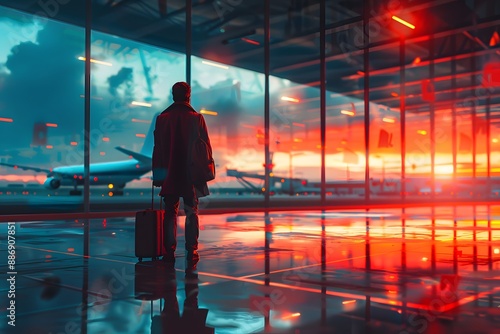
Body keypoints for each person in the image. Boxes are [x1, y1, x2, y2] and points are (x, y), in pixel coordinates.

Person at [152, 82, 212, 265]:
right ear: (188, 95)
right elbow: (205, 149)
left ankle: (168, 251)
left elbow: (158, 150)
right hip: (190, 173)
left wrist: (158, 175)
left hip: (169, 173)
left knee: (170, 213)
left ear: (173, 95)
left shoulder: (162, 118)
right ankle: (191, 250)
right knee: (191, 212)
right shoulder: (196, 118)